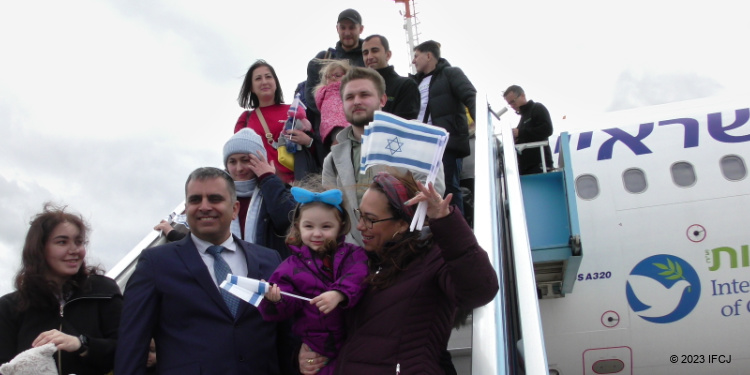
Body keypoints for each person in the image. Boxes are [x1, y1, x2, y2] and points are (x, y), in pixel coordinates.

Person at [299, 172, 499, 374]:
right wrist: (309, 355)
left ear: (403, 223)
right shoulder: (361, 264)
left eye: (371, 220)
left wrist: (446, 220)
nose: (360, 226)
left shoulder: (434, 257)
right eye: (361, 215)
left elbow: (480, 290)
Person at [115, 167, 294, 375]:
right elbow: (132, 344)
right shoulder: (155, 264)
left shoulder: (269, 260)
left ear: (235, 209)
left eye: (215, 199)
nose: (204, 206)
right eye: (195, 200)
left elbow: (285, 338)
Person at [322, 67, 445, 246]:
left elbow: (433, 192)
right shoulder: (332, 160)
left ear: (383, 99)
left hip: (409, 249)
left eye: (364, 94)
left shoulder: (413, 137)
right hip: (358, 255)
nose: (356, 101)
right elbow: (333, 212)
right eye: (349, 97)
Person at [258, 183, 368, 375]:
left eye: (326, 226)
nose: (317, 233)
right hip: (319, 351)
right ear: (298, 227)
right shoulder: (290, 267)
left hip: (356, 344)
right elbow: (283, 306)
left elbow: (358, 274)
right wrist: (273, 300)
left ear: (341, 226)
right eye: (309, 226)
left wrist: (339, 293)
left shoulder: (354, 255)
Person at [0, 204, 122, 375]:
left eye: (79, 242)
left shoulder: (103, 291)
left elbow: (130, 348)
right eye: (62, 242)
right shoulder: (10, 306)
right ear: (40, 249)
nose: (74, 250)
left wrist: (82, 344)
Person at [156, 129, 298, 259]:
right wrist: (172, 233)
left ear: (260, 161)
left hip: (269, 276)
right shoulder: (218, 196)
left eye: (245, 160)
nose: (239, 168)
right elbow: (204, 240)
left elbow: (287, 220)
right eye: (232, 161)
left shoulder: (277, 190)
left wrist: (268, 178)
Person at [412, 40, 476, 215]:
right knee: (424, 189)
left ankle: (459, 231)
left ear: (429, 55)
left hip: (446, 143)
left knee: (449, 188)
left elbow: (471, 96)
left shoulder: (450, 74)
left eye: (416, 56)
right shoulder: (413, 84)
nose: (413, 61)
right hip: (421, 144)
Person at [235, 60, 314, 184]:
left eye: (268, 77)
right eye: (258, 78)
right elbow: (238, 156)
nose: (264, 81)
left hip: (298, 185)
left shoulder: (294, 109)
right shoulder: (246, 118)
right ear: (251, 87)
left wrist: (307, 141)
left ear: (275, 83)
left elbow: (314, 147)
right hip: (262, 187)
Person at [304, 9, 367, 159]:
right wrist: (333, 112)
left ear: (361, 29)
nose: (347, 32)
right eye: (343, 27)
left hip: (362, 130)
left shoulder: (368, 58)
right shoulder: (322, 59)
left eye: (352, 27)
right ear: (337, 28)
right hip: (326, 136)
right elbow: (311, 97)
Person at [362, 34, 420, 119]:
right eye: (365, 53)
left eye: (375, 51)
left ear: (388, 55)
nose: (369, 57)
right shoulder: (358, 88)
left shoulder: (406, 86)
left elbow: (404, 125)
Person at [503, 85, 555, 175]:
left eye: (513, 102)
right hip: (527, 168)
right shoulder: (523, 118)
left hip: (539, 166)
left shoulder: (537, 108)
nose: (512, 106)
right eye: (509, 103)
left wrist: (520, 133)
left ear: (522, 95)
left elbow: (547, 129)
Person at [314, 59, 352, 146]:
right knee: (339, 142)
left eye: (337, 75)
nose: (333, 78)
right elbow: (318, 102)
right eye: (328, 76)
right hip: (332, 124)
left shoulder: (348, 88)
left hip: (346, 121)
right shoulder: (324, 91)